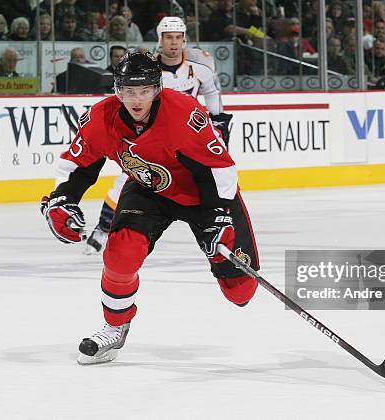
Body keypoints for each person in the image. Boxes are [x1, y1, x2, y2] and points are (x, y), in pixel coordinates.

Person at [40, 51, 259, 365]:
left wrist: (218, 218)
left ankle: (224, 258)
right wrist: (62, 199)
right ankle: (115, 326)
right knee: (119, 254)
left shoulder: (184, 113)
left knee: (241, 293)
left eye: (144, 91)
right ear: (118, 90)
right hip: (150, 191)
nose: (136, 99)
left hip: (204, 196)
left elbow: (217, 169)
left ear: (157, 89)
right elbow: (78, 164)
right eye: (129, 91)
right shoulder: (102, 118)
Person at [85, 17, 233, 254]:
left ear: (184, 39)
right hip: (150, 137)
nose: (173, 43)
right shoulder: (147, 68)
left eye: (177, 37)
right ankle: (103, 229)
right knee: (126, 180)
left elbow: (212, 92)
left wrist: (218, 123)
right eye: (168, 37)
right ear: (159, 39)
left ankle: (217, 227)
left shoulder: (201, 66)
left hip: (185, 140)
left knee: (209, 180)